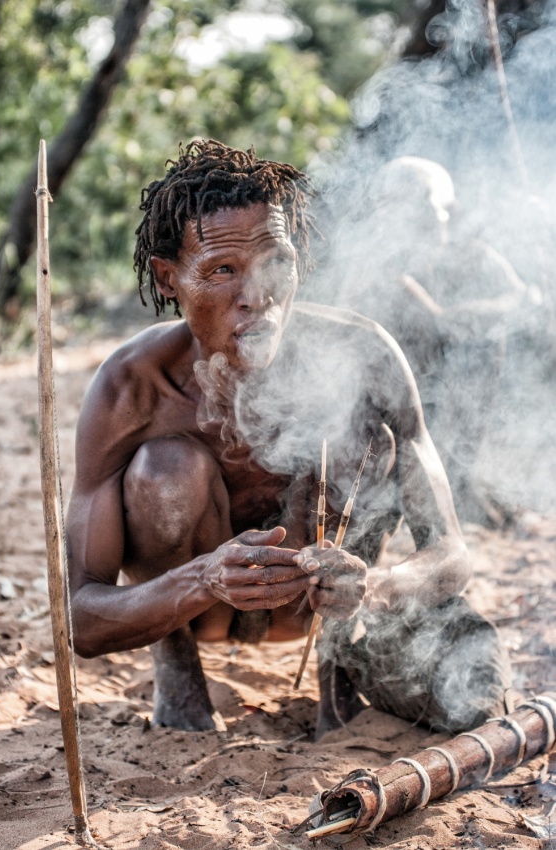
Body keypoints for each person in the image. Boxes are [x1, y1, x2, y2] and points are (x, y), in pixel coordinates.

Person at [66, 141, 510, 739]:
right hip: (197, 612)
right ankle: (179, 672)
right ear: (167, 279)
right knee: (166, 469)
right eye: (223, 270)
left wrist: (371, 587)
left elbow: (451, 557)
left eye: (276, 262)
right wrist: (204, 578)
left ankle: (336, 667)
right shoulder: (131, 390)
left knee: (362, 436)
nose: (257, 296)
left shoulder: (366, 355)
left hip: (319, 613)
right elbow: (83, 621)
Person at [330, 156, 541, 526]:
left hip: (440, 394)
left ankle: (459, 474)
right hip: (381, 408)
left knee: (485, 344)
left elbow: (517, 298)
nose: (441, 216)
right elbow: (432, 322)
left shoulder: (466, 253)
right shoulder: (376, 266)